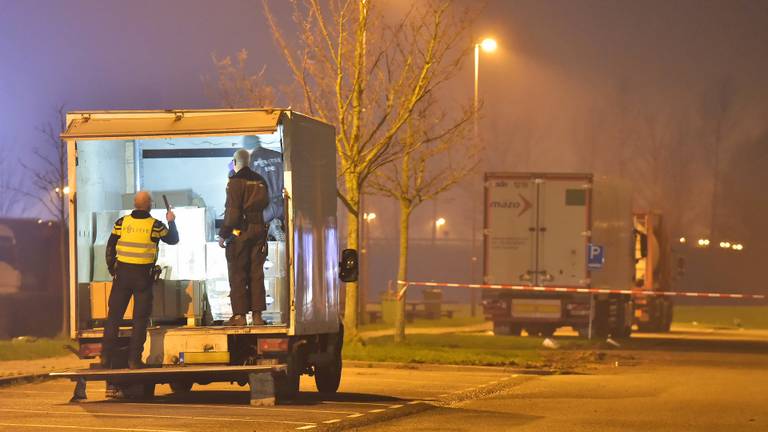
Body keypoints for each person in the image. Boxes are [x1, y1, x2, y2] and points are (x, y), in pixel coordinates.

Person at [102, 191, 178, 369]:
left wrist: (112, 268)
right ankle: (134, 360)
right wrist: (171, 220)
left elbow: (110, 246)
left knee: (113, 317)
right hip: (142, 277)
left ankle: (105, 358)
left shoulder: (122, 222)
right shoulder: (155, 225)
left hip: (122, 275)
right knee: (140, 320)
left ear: (135, 204)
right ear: (149, 204)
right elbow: (173, 239)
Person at [219, 148, 270, 326]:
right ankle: (257, 316)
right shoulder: (261, 180)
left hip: (240, 230)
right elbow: (267, 203)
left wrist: (223, 234)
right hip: (259, 230)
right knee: (256, 272)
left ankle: (239, 316)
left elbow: (233, 214)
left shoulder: (235, 182)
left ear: (234, 162)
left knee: (237, 271)